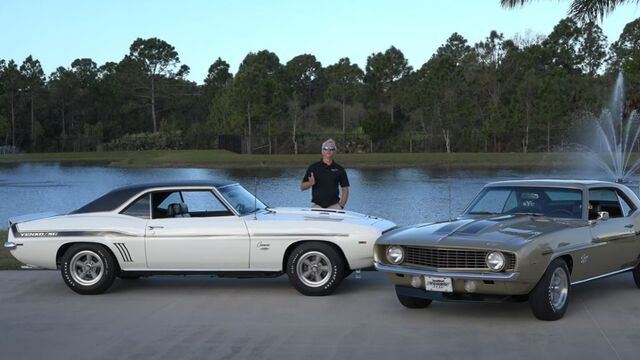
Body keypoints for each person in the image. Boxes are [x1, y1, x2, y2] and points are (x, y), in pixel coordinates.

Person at [300, 139, 350, 209]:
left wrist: (341, 206)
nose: (328, 151)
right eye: (326, 148)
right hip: (317, 206)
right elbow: (302, 187)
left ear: (334, 151)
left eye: (331, 149)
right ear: (322, 151)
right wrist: (310, 183)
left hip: (334, 206)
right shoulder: (313, 167)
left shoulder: (340, 169)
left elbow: (345, 189)